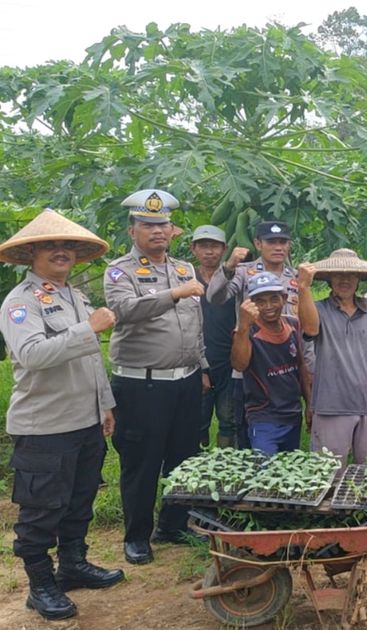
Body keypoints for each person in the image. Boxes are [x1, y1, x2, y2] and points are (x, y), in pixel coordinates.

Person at [0, 210, 124, 620]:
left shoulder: (74, 296)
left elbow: (88, 363)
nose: (61, 252)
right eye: (51, 245)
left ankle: (73, 565)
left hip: (84, 421)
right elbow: (32, 355)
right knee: (41, 511)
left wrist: (104, 403)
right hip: (45, 427)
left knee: (79, 500)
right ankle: (40, 585)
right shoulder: (21, 302)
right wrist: (89, 329)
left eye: (68, 246)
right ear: (32, 252)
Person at [104, 189, 208, 565]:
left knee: (183, 457)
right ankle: (136, 537)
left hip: (186, 381)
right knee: (142, 462)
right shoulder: (120, 271)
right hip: (142, 385)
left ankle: (173, 524)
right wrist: (175, 293)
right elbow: (123, 310)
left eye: (162, 224)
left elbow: (195, 325)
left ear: (172, 229)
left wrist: (203, 367)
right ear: (133, 230)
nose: (157, 231)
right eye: (147, 225)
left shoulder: (184, 268)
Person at [206, 220, 304, 448]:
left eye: (283, 242)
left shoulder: (296, 276)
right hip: (250, 368)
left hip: (285, 368)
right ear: (258, 244)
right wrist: (228, 266)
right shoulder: (243, 272)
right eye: (271, 242)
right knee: (249, 437)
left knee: (289, 437)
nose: (278, 247)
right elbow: (215, 297)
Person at [296, 249, 367, 464]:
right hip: (331, 406)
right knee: (327, 476)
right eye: (338, 274)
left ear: (359, 278)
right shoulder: (319, 309)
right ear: (330, 279)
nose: (344, 279)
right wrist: (303, 287)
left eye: (350, 275)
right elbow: (311, 329)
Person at [230, 272, 309, 455]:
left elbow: (301, 367)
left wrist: (309, 404)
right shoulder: (247, 331)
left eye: (274, 299)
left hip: (292, 413)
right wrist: (243, 326)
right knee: (264, 470)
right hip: (263, 416)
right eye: (260, 301)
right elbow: (239, 365)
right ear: (251, 304)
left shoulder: (293, 325)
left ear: (284, 299)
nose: (268, 306)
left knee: (289, 470)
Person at [191, 225, 237, 447]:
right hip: (197, 361)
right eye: (204, 246)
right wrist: (201, 367)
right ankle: (196, 469)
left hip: (229, 360)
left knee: (229, 419)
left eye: (215, 247)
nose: (209, 252)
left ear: (224, 249)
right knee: (197, 421)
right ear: (194, 249)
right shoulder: (185, 278)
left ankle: (225, 468)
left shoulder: (234, 277)